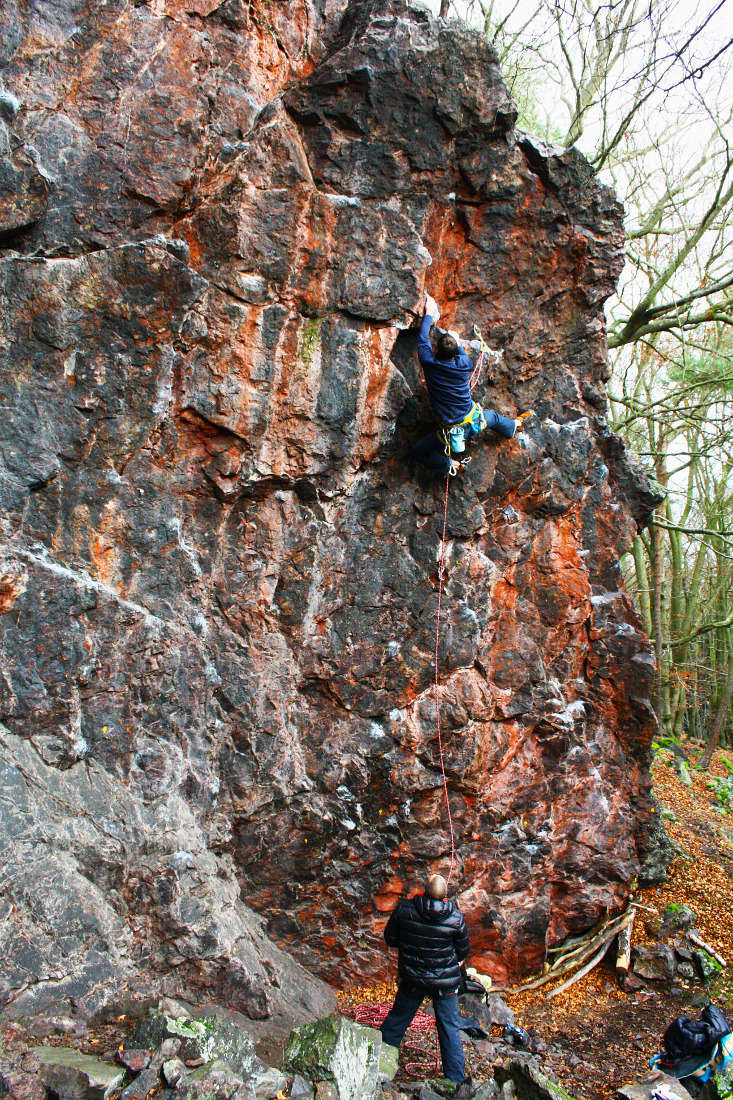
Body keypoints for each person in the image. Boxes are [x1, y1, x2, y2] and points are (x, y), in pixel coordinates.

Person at [410, 294, 525, 476]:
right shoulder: (464, 363)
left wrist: (429, 313)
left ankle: (447, 466)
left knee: (416, 451)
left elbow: (423, 338)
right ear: (455, 353)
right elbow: (461, 353)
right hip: (473, 419)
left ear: (436, 351)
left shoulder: (428, 361)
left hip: (449, 431)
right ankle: (513, 426)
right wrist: (454, 340)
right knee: (493, 418)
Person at [380, 873, 471, 1084]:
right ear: (445, 896)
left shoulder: (405, 910)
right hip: (445, 983)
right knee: (449, 1027)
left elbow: (390, 938)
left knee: (397, 1020)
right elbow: (462, 950)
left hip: (413, 979)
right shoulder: (455, 918)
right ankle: (456, 1082)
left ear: (422, 891)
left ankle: (375, 1062)